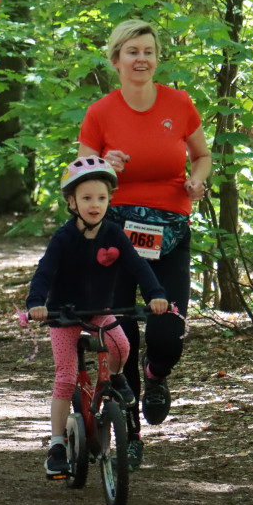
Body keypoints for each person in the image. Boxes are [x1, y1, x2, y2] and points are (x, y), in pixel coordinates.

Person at [77, 19, 211, 470]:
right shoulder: (100, 112)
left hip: (170, 230)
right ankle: (129, 431)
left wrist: (197, 181)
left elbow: (202, 155)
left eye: (149, 51)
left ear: (157, 58)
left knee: (167, 331)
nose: (142, 59)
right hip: (115, 235)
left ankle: (157, 377)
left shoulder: (179, 103)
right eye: (132, 51)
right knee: (120, 338)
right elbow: (79, 176)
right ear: (116, 59)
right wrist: (101, 164)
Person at [26, 156, 170, 479]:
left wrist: (156, 294)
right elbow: (44, 272)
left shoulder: (115, 236)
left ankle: (116, 378)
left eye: (102, 198)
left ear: (110, 200)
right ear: (71, 201)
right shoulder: (64, 239)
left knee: (122, 346)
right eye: (87, 198)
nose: (95, 205)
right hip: (64, 315)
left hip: (100, 313)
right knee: (66, 375)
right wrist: (36, 302)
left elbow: (139, 267)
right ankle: (58, 444)